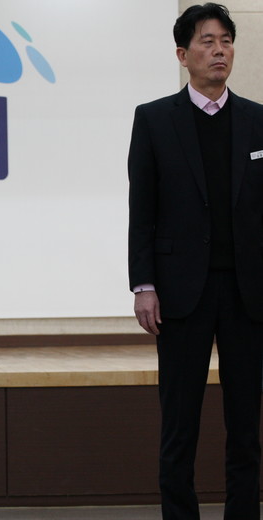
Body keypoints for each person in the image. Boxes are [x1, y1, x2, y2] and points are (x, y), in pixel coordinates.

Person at [128, 4, 263, 519]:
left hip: (248, 293)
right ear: (183, 55)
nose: (219, 50)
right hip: (181, 291)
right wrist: (144, 284)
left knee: (246, 424)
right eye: (208, 41)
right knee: (179, 423)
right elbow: (143, 209)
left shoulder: (257, 120)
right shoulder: (154, 118)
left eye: (226, 40)